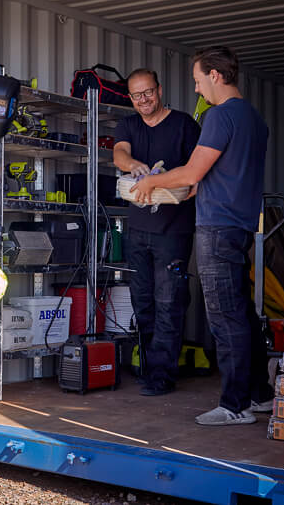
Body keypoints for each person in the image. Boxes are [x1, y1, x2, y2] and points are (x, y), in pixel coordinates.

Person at [131, 46, 274, 426]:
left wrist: (152, 182)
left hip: (216, 227)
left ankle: (234, 405)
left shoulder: (219, 116)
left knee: (225, 319)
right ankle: (260, 394)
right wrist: (182, 186)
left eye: (197, 81)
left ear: (215, 74)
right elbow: (217, 174)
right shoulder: (254, 120)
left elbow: (194, 172)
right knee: (241, 312)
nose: (197, 90)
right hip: (240, 224)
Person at [113, 68, 201, 397]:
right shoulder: (129, 125)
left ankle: (162, 376)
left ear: (159, 90)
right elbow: (118, 152)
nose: (143, 100)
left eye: (148, 92)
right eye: (136, 95)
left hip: (173, 230)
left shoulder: (183, 125)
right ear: (130, 98)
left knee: (169, 301)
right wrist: (131, 163)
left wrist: (195, 184)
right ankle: (150, 367)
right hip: (138, 229)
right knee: (143, 303)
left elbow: (201, 166)